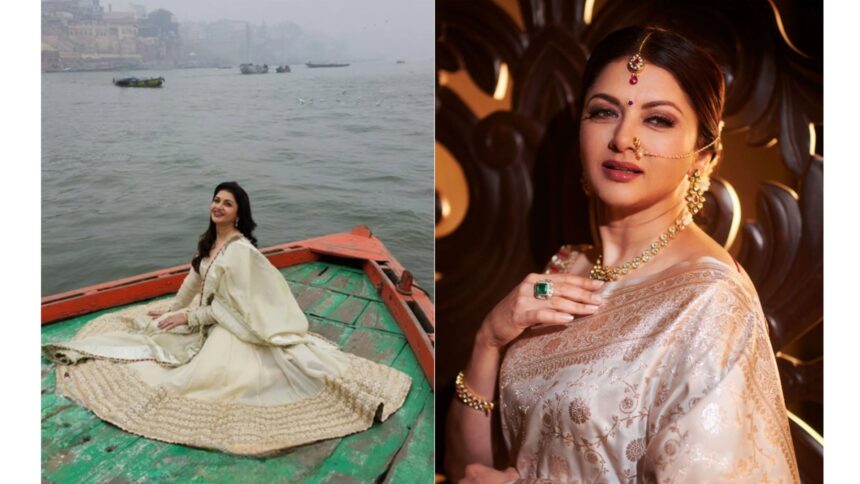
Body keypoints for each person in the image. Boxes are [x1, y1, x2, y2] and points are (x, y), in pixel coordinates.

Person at [445, 27, 800, 483]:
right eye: (603, 112)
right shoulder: (566, 265)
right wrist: (489, 340)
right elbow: (467, 471)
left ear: (703, 156)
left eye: (658, 120)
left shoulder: (710, 301)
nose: (623, 138)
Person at [43, 181, 411, 456]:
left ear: (239, 213)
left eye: (227, 203)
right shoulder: (210, 241)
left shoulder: (241, 253)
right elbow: (194, 277)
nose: (218, 206)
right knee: (149, 328)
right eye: (216, 200)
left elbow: (237, 308)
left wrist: (191, 316)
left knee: (196, 381)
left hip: (229, 327)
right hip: (205, 316)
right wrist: (173, 309)